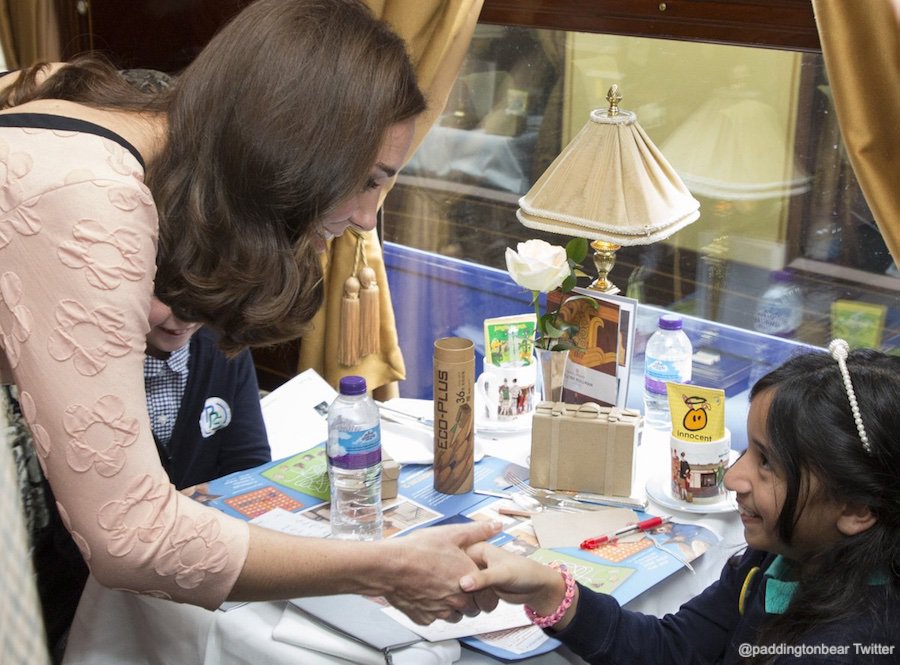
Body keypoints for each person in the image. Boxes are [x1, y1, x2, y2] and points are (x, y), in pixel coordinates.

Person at [0, 0, 498, 644]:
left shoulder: (110, 113)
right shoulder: (93, 202)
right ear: (297, 146)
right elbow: (130, 537)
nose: (369, 217)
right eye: (368, 181)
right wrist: (386, 567)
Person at [462, 340, 900, 663]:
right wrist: (549, 589)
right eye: (748, 451)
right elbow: (676, 650)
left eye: (768, 463)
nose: (733, 477)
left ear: (857, 508)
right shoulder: (777, 559)